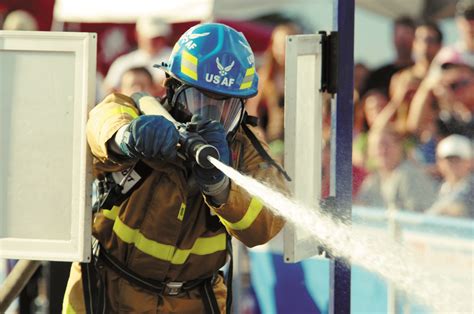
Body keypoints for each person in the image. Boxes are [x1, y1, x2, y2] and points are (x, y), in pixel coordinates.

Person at [62, 23, 288, 313]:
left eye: (225, 108)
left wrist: (221, 188)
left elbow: (269, 219)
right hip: (107, 291)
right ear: (171, 88)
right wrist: (127, 138)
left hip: (190, 301)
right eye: (198, 101)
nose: (210, 118)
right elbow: (101, 124)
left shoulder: (243, 152)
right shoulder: (139, 112)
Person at [356, 126, 437, 212]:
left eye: (386, 144)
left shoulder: (409, 175)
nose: (382, 150)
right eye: (377, 146)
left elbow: (417, 218)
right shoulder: (373, 180)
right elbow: (361, 208)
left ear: (399, 147)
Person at [104, 16, 172, 96]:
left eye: (158, 37)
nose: (153, 41)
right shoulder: (123, 62)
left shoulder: (177, 59)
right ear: (138, 35)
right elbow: (109, 90)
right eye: (149, 37)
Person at [363, 16, 416, 97]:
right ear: (393, 38)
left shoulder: (423, 73)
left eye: (407, 35)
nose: (402, 42)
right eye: (399, 36)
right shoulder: (377, 76)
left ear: (415, 38)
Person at [426, 134, 473, 218]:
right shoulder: (438, 187)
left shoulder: (470, 188)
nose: (453, 165)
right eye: (449, 160)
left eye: (458, 160)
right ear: (440, 162)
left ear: (470, 162)